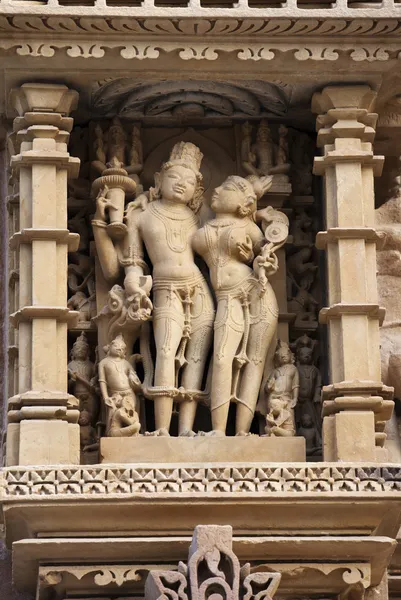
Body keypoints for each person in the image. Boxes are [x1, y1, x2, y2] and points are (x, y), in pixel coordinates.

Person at [92, 145, 215, 436]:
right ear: (159, 180)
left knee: (196, 357)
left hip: (198, 289)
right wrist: (134, 282)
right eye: (174, 176)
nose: (181, 183)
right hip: (165, 287)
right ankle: (161, 428)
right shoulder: (141, 214)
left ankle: (185, 428)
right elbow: (132, 262)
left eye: (189, 180)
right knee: (166, 351)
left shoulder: (199, 217)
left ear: (197, 190)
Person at [193, 174, 285, 435]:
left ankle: (243, 432)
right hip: (226, 297)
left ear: (242, 203)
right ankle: (219, 431)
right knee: (222, 358)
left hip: (255, 293)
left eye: (226, 187)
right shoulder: (202, 225)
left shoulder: (250, 229)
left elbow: (264, 255)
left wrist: (261, 262)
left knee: (254, 361)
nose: (218, 189)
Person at [98, 335, 142, 436]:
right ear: (109, 347)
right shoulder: (103, 363)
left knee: (130, 412)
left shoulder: (126, 363)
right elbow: (102, 381)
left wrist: (133, 377)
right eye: (116, 346)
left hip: (129, 392)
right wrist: (105, 397)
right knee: (113, 412)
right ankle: (113, 432)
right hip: (114, 393)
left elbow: (133, 376)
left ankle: (134, 432)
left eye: (122, 348)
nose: (119, 348)